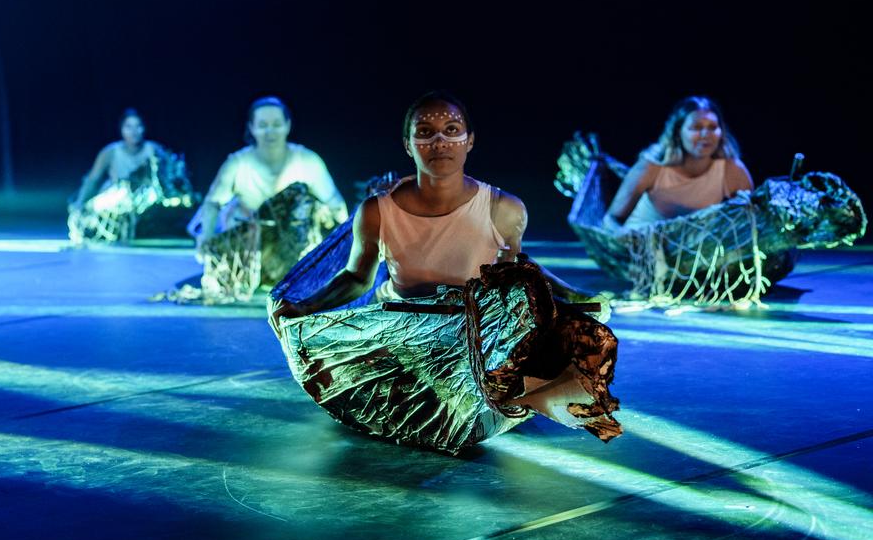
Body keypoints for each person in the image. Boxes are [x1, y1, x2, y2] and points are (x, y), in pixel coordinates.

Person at [269, 90, 620, 446]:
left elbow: (516, 275)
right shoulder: (376, 211)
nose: (439, 142)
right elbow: (357, 277)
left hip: (469, 335)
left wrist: (575, 298)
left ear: (470, 141)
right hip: (400, 333)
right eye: (425, 132)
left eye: (452, 130)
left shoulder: (504, 209)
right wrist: (306, 306)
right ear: (408, 145)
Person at [194, 96, 347, 251]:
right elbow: (212, 202)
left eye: (277, 124)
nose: (270, 131)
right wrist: (206, 237)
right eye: (262, 125)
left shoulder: (308, 161)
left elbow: (334, 202)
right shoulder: (237, 164)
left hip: (299, 247)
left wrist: (349, 238)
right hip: (248, 248)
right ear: (251, 127)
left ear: (288, 125)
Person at [605, 95, 754, 230]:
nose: (705, 135)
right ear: (678, 132)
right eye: (696, 127)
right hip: (641, 243)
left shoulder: (731, 169)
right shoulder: (653, 166)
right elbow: (611, 219)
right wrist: (624, 240)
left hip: (694, 247)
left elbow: (752, 216)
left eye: (712, 127)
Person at [73, 108, 161, 208]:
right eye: (128, 127)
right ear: (121, 129)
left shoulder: (154, 150)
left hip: (144, 201)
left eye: (138, 126)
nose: (134, 131)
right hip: (115, 202)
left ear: (144, 128)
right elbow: (93, 179)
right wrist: (80, 202)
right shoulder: (110, 152)